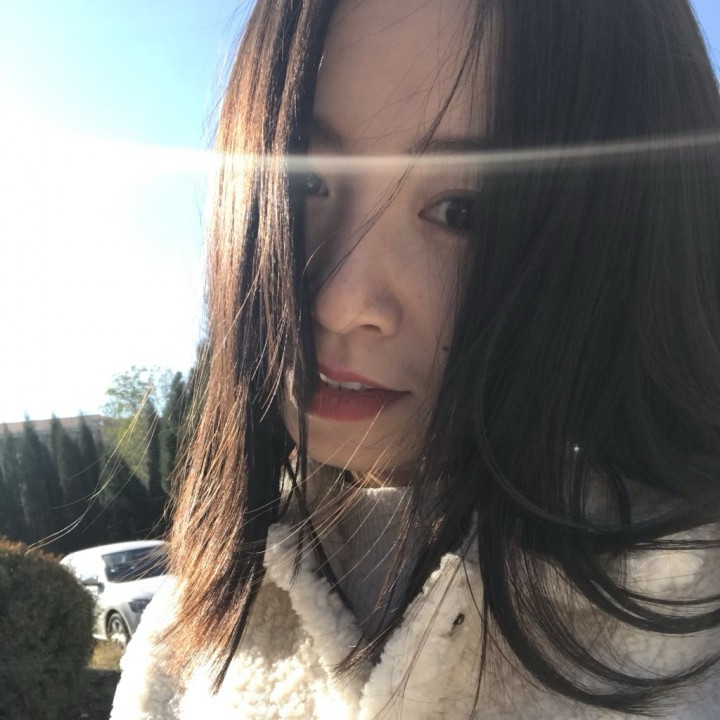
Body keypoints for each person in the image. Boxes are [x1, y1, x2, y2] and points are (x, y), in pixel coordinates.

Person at [111, 0, 720, 717]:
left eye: (465, 212)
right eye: (304, 183)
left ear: (637, 240)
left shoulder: (694, 641)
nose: (341, 302)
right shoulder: (186, 637)